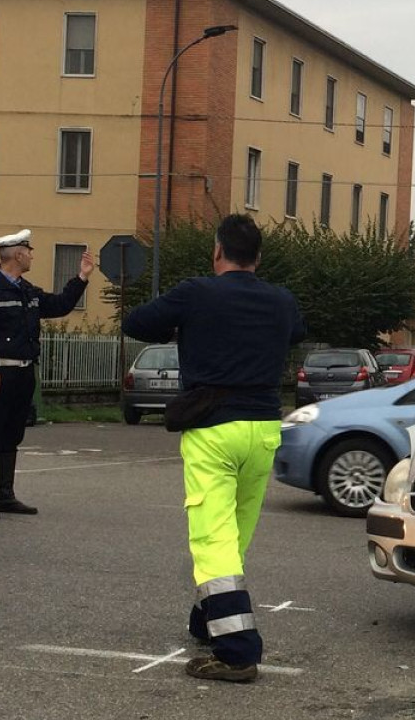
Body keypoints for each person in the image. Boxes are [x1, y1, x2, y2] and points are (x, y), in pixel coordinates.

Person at [122, 214, 307, 683]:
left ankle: (237, 650)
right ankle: (206, 618)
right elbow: (296, 333)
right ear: (259, 258)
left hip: (213, 430)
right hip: (264, 427)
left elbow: (137, 323)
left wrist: (184, 325)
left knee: (212, 538)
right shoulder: (281, 300)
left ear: (217, 252)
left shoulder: (197, 292)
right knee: (236, 535)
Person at [0, 229, 90, 520]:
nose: (32, 255)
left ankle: (4, 495)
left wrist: (81, 278)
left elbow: (58, 305)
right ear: (17, 254)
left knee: (12, 433)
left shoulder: (26, 290)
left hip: (24, 373)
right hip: (1, 372)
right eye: (29, 250)